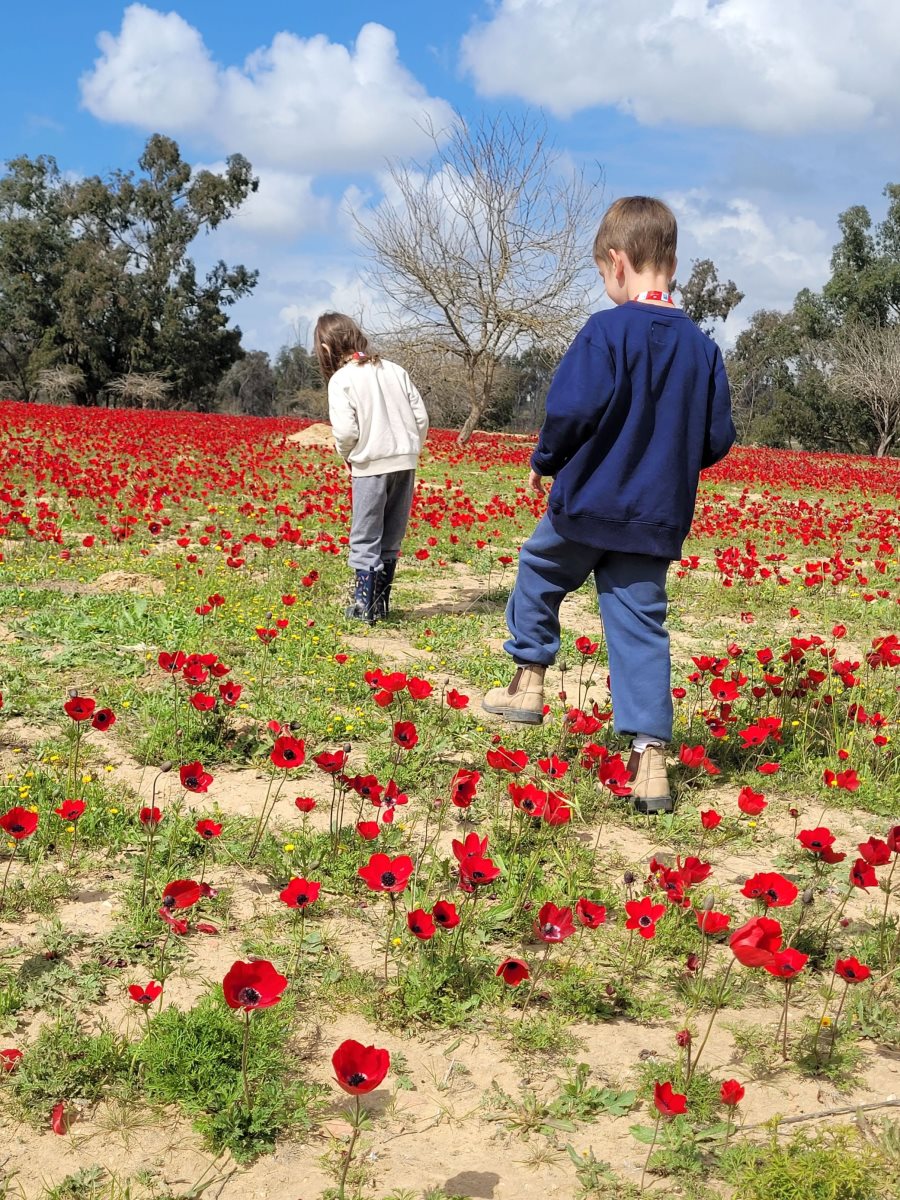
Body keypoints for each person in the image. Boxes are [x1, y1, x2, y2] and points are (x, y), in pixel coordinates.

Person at [482, 197, 736, 814]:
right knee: (640, 626)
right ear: (673, 263)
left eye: (602, 274)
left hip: (587, 505)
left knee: (541, 570)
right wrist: (666, 467)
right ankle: (650, 766)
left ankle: (528, 683)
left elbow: (571, 410)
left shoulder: (605, 331)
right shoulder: (702, 349)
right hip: (653, 520)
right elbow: (716, 438)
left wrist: (545, 459)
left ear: (617, 263)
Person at [315, 313, 429, 624]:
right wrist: (410, 447)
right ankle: (381, 604)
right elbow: (421, 418)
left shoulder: (342, 379)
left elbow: (345, 431)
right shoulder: (395, 370)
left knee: (365, 534)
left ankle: (363, 606)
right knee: (391, 533)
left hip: (369, 464)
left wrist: (349, 455)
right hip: (404, 461)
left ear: (326, 348)